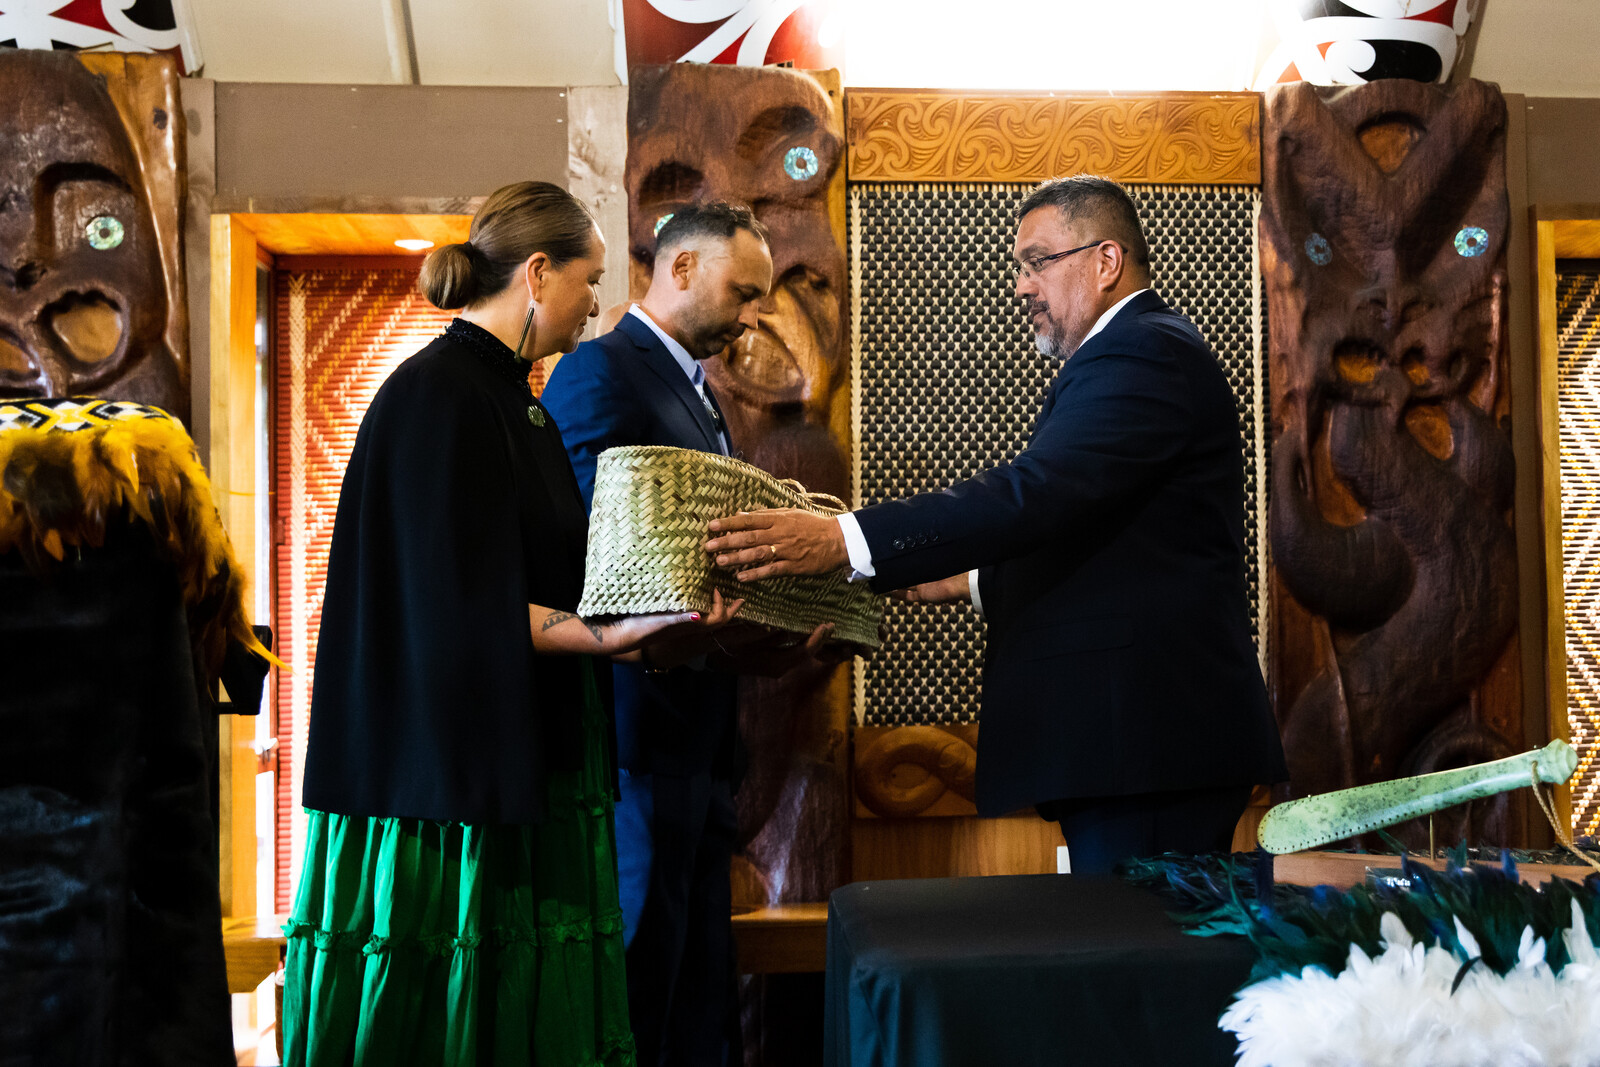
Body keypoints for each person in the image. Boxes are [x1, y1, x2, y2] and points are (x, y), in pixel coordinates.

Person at [704, 174, 1288, 875]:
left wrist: (842, 539)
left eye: (1037, 261)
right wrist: (974, 579)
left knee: (1142, 967)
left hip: (1147, 745)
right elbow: (1109, 532)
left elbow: (1037, 493)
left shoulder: (1146, 352)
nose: (1021, 286)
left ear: (1106, 261)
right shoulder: (1135, 351)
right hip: (1132, 746)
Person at [282, 181, 739, 1066]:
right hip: (443, 790)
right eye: (590, 279)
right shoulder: (436, 394)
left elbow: (549, 578)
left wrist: (658, 623)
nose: (595, 304)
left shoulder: (515, 397)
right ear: (538, 272)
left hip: (521, 756)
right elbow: (455, 604)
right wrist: (612, 638)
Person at [542, 201, 837, 1067]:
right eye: (743, 292)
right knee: (639, 986)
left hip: (698, 739)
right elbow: (601, 556)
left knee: (697, 989)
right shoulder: (601, 373)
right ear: (678, 270)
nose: (755, 314)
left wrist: (774, 628)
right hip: (636, 732)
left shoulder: (692, 386)